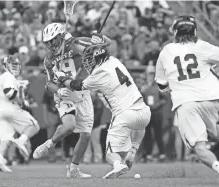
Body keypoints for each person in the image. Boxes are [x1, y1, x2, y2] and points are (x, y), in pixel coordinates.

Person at [155, 15, 219, 185]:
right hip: (209, 98)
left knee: (199, 147)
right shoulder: (202, 46)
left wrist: (167, 88)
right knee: (213, 125)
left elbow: (161, 84)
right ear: (194, 30)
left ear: (175, 31)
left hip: (186, 102)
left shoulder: (166, 51)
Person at [56, 32, 151, 179]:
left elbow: (76, 85)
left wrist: (62, 78)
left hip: (124, 114)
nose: (86, 62)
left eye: (88, 59)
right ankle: (132, 152)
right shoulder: (114, 60)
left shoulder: (97, 74)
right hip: (144, 111)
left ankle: (118, 165)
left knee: (110, 154)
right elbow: (105, 45)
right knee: (139, 125)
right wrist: (99, 38)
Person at [32, 23, 94, 178]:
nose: (50, 44)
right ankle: (49, 144)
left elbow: (89, 49)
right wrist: (59, 90)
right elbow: (49, 84)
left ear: (60, 36)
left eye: (52, 40)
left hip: (82, 92)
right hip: (64, 93)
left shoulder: (73, 45)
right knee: (70, 125)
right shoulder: (49, 59)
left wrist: (76, 43)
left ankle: (73, 170)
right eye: (48, 42)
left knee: (86, 134)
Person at [0, 53, 40, 172]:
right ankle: (21, 141)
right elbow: (10, 93)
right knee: (34, 126)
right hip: (10, 108)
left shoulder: (2, 77)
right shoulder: (9, 76)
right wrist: (22, 103)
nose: (16, 66)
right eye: (13, 64)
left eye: (17, 64)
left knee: (5, 139)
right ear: (6, 65)